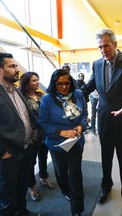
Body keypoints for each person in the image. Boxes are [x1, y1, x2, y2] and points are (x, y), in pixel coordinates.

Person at [82, 28, 122, 216]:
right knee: (106, 158)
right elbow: (90, 86)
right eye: (100, 47)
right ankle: (106, 186)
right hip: (104, 121)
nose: (103, 50)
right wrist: (69, 92)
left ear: (115, 44)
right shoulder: (97, 64)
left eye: (106, 46)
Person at [0, 52, 40, 216]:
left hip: (25, 150)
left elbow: (25, 117)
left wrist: (34, 136)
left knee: (20, 191)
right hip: (6, 157)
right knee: (6, 201)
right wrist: (1, 153)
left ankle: (22, 212)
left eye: (16, 65)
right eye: (12, 66)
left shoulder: (16, 91)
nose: (17, 69)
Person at [38, 69, 87, 216]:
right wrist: (61, 132)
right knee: (61, 174)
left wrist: (81, 126)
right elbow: (43, 122)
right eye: (60, 84)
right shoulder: (47, 99)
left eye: (67, 83)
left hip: (76, 142)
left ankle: (77, 209)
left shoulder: (78, 94)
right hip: (57, 144)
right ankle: (65, 191)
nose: (64, 87)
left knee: (75, 174)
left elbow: (84, 114)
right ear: (54, 84)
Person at [19, 72, 54, 202]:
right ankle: (31, 186)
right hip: (30, 136)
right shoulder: (20, 97)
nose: (37, 82)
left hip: (44, 134)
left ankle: (44, 178)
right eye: (34, 80)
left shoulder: (41, 96)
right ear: (26, 83)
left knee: (44, 157)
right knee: (30, 163)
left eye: (38, 79)